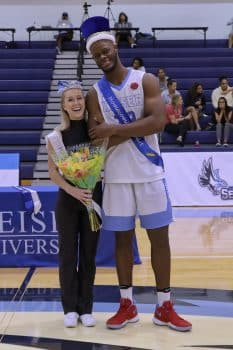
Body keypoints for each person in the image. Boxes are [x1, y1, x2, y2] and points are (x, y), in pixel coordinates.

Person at [81, 16, 192, 332]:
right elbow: (97, 137)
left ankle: (164, 306)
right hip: (115, 176)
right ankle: (127, 304)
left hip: (149, 173)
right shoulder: (93, 93)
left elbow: (157, 123)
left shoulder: (145, 81)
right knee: (122, 241)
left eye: (106, 50)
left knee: (160, 240)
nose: (103, 57)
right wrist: (132, 127)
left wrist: (114, 129)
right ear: (93, 57)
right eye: (96, 55)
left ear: (115, 45)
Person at [46, 80, 102, 328]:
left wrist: (92, 183)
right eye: (71, 99)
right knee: (68, 255)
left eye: (79, 98)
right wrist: (72, 190)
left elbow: (101, 164)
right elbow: (53, 173)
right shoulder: (56, 137)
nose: (76, 103)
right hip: (68, 201)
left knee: (89, 255)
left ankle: (86, 308)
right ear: (64, 106)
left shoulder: (96, 132)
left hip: (92, 199)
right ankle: (69, 308)